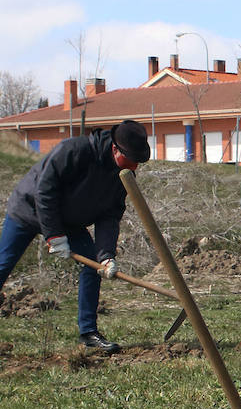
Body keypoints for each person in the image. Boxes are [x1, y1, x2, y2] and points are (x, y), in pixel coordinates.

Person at [0, 120, 150, 353]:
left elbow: (109, 217)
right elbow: (44, 190)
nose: (133, 167)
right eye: (130, 160)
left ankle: (89, 333)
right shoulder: (74, 150)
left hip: (69, 222)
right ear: (115, 148)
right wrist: (54, 235)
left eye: (137, 163)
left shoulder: (123, 176)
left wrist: (106, 256)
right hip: (28, 209)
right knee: (3, 264)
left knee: (92, 265)